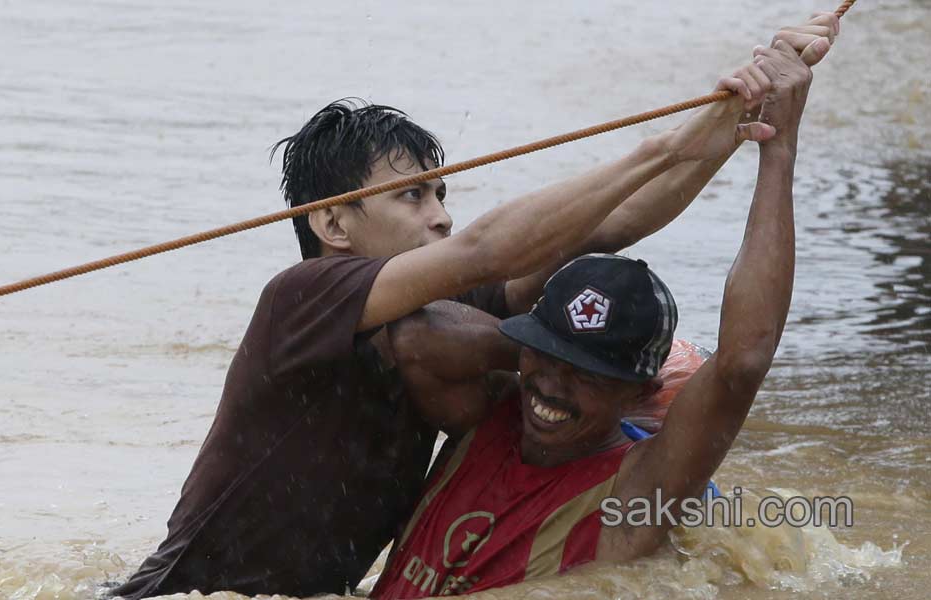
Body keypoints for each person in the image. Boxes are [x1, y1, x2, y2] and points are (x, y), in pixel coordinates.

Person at [111, 12, 838, 598]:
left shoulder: (456, 312)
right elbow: (487, 250)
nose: (441, 217)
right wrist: (668, 145)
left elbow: (613, 227)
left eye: (442, 193)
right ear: (332, 225)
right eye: (411, 197)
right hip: (184, 592)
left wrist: (749, 116)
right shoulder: (299, 298)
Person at [370, 28, 831, 599]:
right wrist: (525, 355)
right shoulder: (488, 412)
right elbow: (414, 337)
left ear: (639, 393)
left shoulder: (637, 494)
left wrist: (777, 148)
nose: (551, 387)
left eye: (588, 375)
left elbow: (742, 361)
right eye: (549, 354)